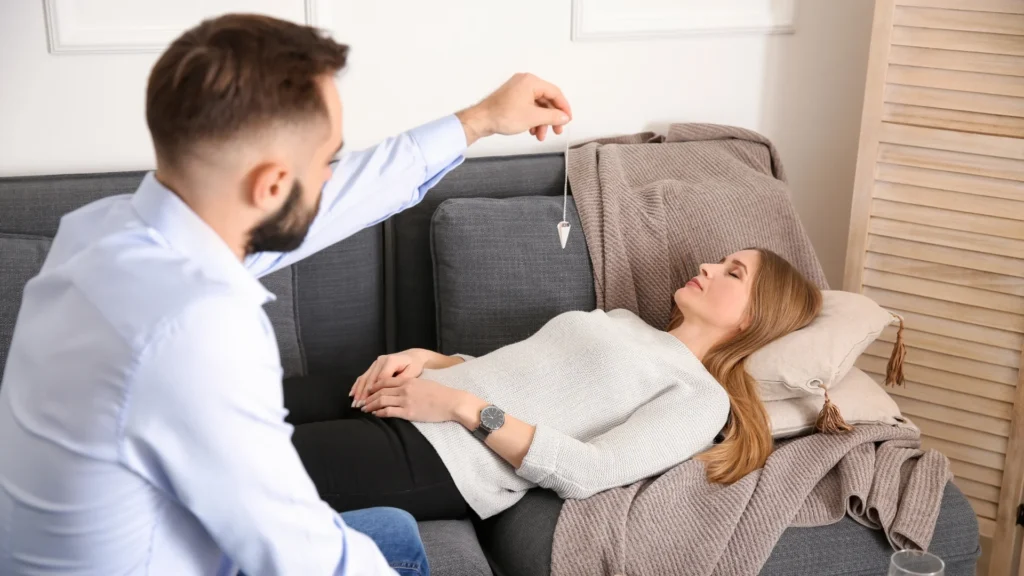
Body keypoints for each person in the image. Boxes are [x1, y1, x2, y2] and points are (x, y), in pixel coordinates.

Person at [0, 13, 572, 576]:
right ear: (271, 185)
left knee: (394, 532)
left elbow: (328, 203)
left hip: (144, 533)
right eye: (327, 161)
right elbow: (298, 552)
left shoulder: (104, 231)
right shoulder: (192, 325)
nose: (330, 178)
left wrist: (478, 120)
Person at [286, 248, 822, 521]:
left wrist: (461, 407)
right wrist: (428, 359)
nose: (706, 266)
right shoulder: (625, 321)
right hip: (418, 393)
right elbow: (519, 374)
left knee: (234, 458)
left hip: (441, 456)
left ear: (754, 318)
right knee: (228, 400)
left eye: (732, 273)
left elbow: (590, 471)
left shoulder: (701, 398)